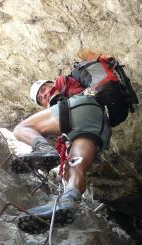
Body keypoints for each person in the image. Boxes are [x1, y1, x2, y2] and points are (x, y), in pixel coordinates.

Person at [11, 75, 113, 234]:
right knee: (74, 168)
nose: (44, 95)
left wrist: (46, 148)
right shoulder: (72, 86)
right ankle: (68, 200)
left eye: (43, 90)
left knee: (21, 129)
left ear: (51, 83)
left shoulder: (61, 84)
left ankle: (42, 147)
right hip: (98, 128)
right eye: (40, 98)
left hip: (78, 108)